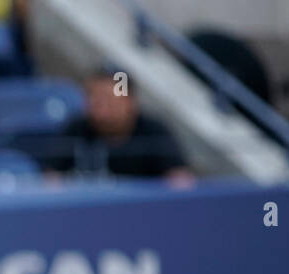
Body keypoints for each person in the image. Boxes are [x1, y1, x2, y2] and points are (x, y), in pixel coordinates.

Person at [47, 66, 194, 186]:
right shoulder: (76, 129)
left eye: (110, 101)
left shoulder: (153, 132)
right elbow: (50, 180)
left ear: (130, 102)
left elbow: (180, 182)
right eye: (94, 100)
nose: (101, 109)